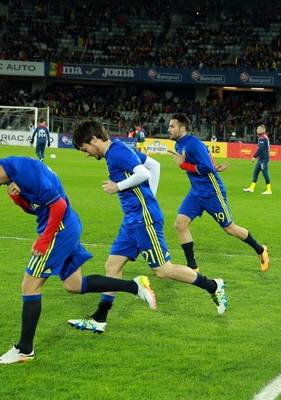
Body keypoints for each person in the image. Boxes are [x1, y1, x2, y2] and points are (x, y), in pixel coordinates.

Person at [0, 155, 155, 364]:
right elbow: (37, 207)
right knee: (74, 285)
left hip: (59, 229)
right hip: (66, 226)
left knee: (30, 286)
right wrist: (18, 199)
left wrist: (45, 240)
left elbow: (58, 205)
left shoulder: (23, 171)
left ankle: (24, 350)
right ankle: (135, 286)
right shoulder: (13, 173)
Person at [70, 120, 228, 322]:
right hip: (131, 220)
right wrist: (149, 194)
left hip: (144, 220)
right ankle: (99, 319)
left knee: (163, 270)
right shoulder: (117, 149)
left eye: (85, 149)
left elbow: (144, 172)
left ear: (94, 139)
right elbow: (154, 165)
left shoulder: (117, 152)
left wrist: (118, 187)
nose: (86, 154)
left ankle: (214, 286)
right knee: (112, 266)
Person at [167, 113, 269, 272]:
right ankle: (193, 268)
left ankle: (260, 249)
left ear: (182, 128)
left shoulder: (192, 143)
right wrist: (214, 166)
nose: (169, 129)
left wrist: (184, 165)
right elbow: (207, 155)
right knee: (180, 225)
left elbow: (204, 166)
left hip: (212, 192)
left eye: (172, 126)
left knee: (230, 229)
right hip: (196, 192)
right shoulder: (179, 145)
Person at [243, 124, 272, 195]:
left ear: (262, 130)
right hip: (261, 159)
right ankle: (251, 188)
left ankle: (269, 190)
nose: (257, 130)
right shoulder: (262, 137)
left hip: (263, 159)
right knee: (255, 172)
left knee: (265, 174)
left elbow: (261, 149)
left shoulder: (263, 138)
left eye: (258, 129)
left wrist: (254, 156)